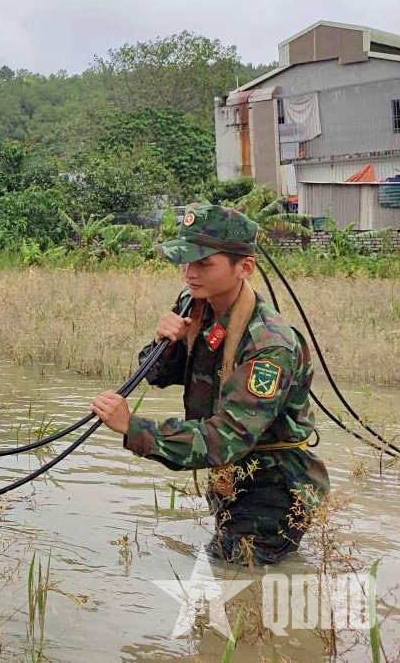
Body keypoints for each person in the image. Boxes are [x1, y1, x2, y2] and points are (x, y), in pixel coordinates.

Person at [89, 203, 329, 565]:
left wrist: (133, 427)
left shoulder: (269, 345)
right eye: (186, 260)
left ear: (244, 267)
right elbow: (163, 374)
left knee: (240, 579)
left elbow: (226, 438)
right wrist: (165, 345)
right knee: (226, 574)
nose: (190, 272)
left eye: (203, 263)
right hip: (231, 480)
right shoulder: (194, 304)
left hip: (273, 489)